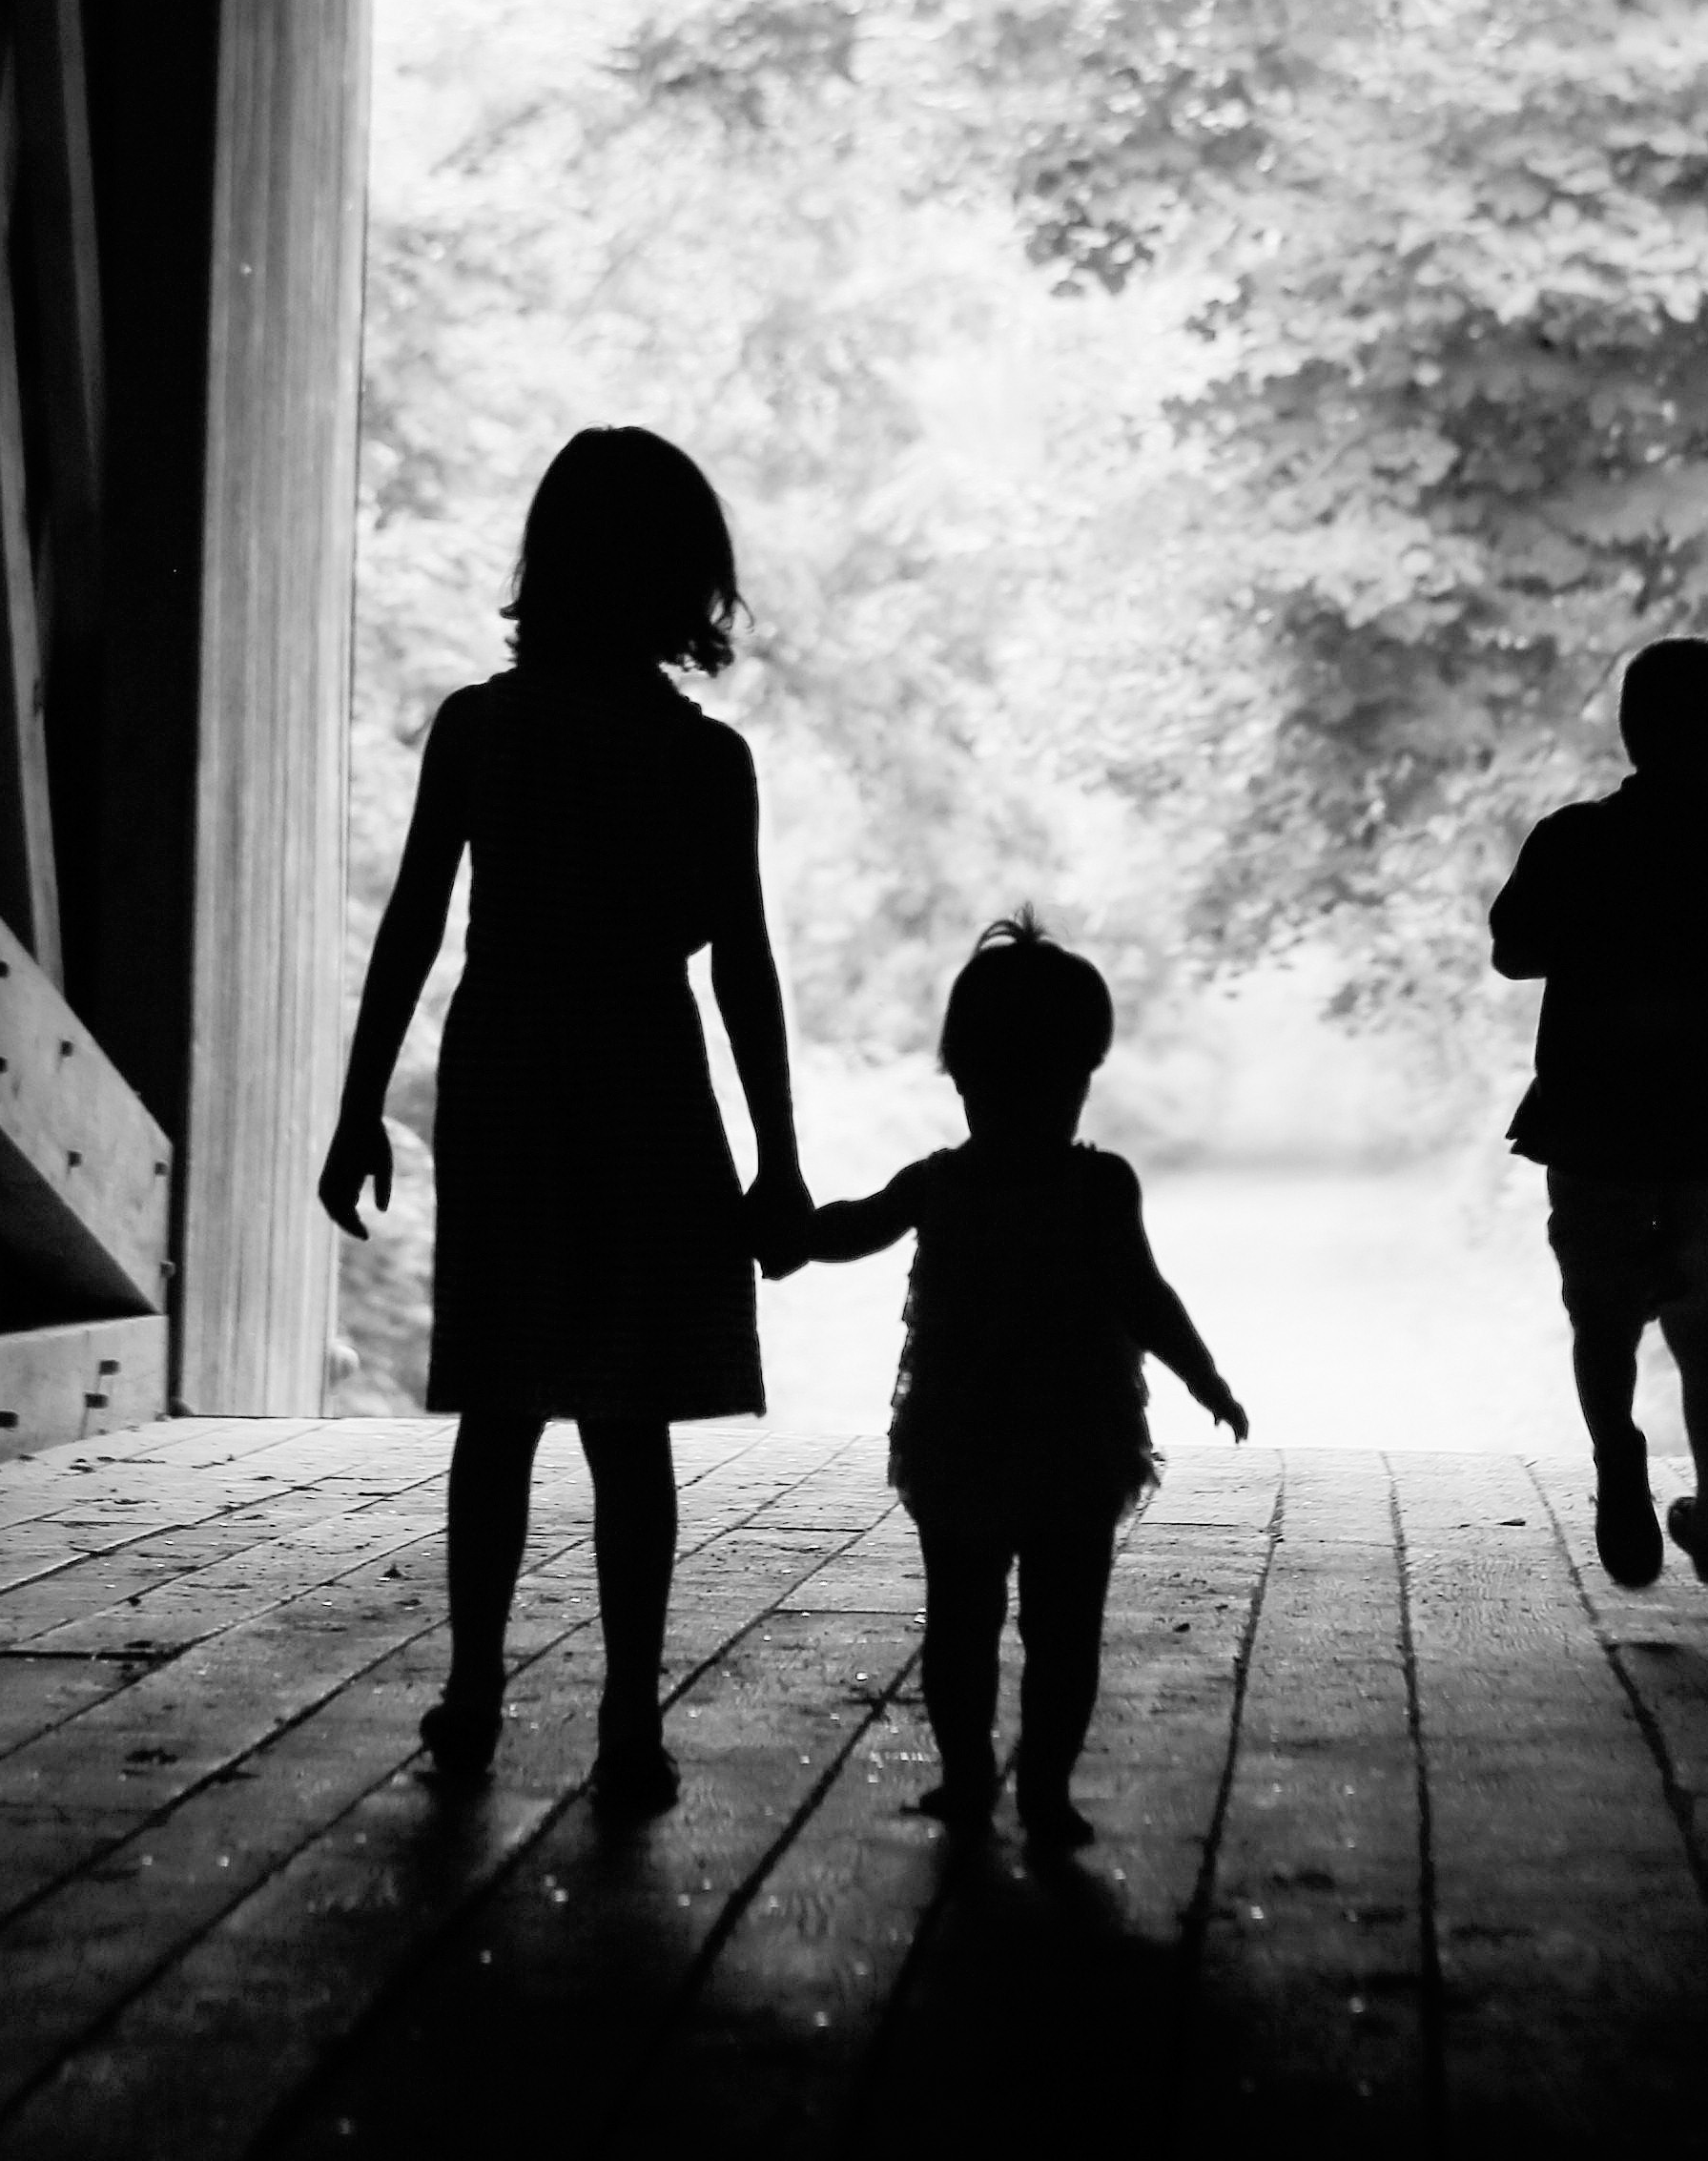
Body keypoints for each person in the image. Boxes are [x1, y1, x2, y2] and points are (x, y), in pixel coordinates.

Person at [320, 426, 813, 1818]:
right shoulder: (704, 762)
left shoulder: (483, 730)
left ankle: (474, 1695)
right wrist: (777, 1159)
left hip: (513, 1070)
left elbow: (415, 927)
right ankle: (626, 1721)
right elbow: (744, 971)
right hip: (645, 1076)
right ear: (682, 584)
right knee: (628, 1416)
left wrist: (361, 1105)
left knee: (502, 1402)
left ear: (550, 565)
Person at [798, 919, 1245, 1850]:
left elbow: (846, 1230)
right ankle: (1043, 1789)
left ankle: (969, 1782)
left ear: (959, 1073)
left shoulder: (938, 1182)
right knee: (1063, 1628)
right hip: (1078, 1445)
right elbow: (1146, 1299)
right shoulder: (1098, 1187)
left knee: (960, 1623)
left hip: (958, 1440)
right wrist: (1204, 1377)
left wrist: (780, 1228)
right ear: (1084, 1073)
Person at [1488, 636, 1708, 1589]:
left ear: (1629, 733)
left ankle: (1617, 1467)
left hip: (1590, 1120)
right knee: (1702, 1324)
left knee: (1602, 1321)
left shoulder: (1572, 840)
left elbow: (1513, 954)